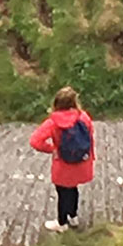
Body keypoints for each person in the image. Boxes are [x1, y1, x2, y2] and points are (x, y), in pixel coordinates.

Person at [29, 86, 95, 232]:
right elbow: (89, 137)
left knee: (63, 193)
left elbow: (35, 141)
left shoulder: (53, 122)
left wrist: (52, 149)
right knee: (73, 189)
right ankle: (73, 216)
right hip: (81, 163)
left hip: (63, 165)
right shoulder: (83, 117)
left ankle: (61, 223)